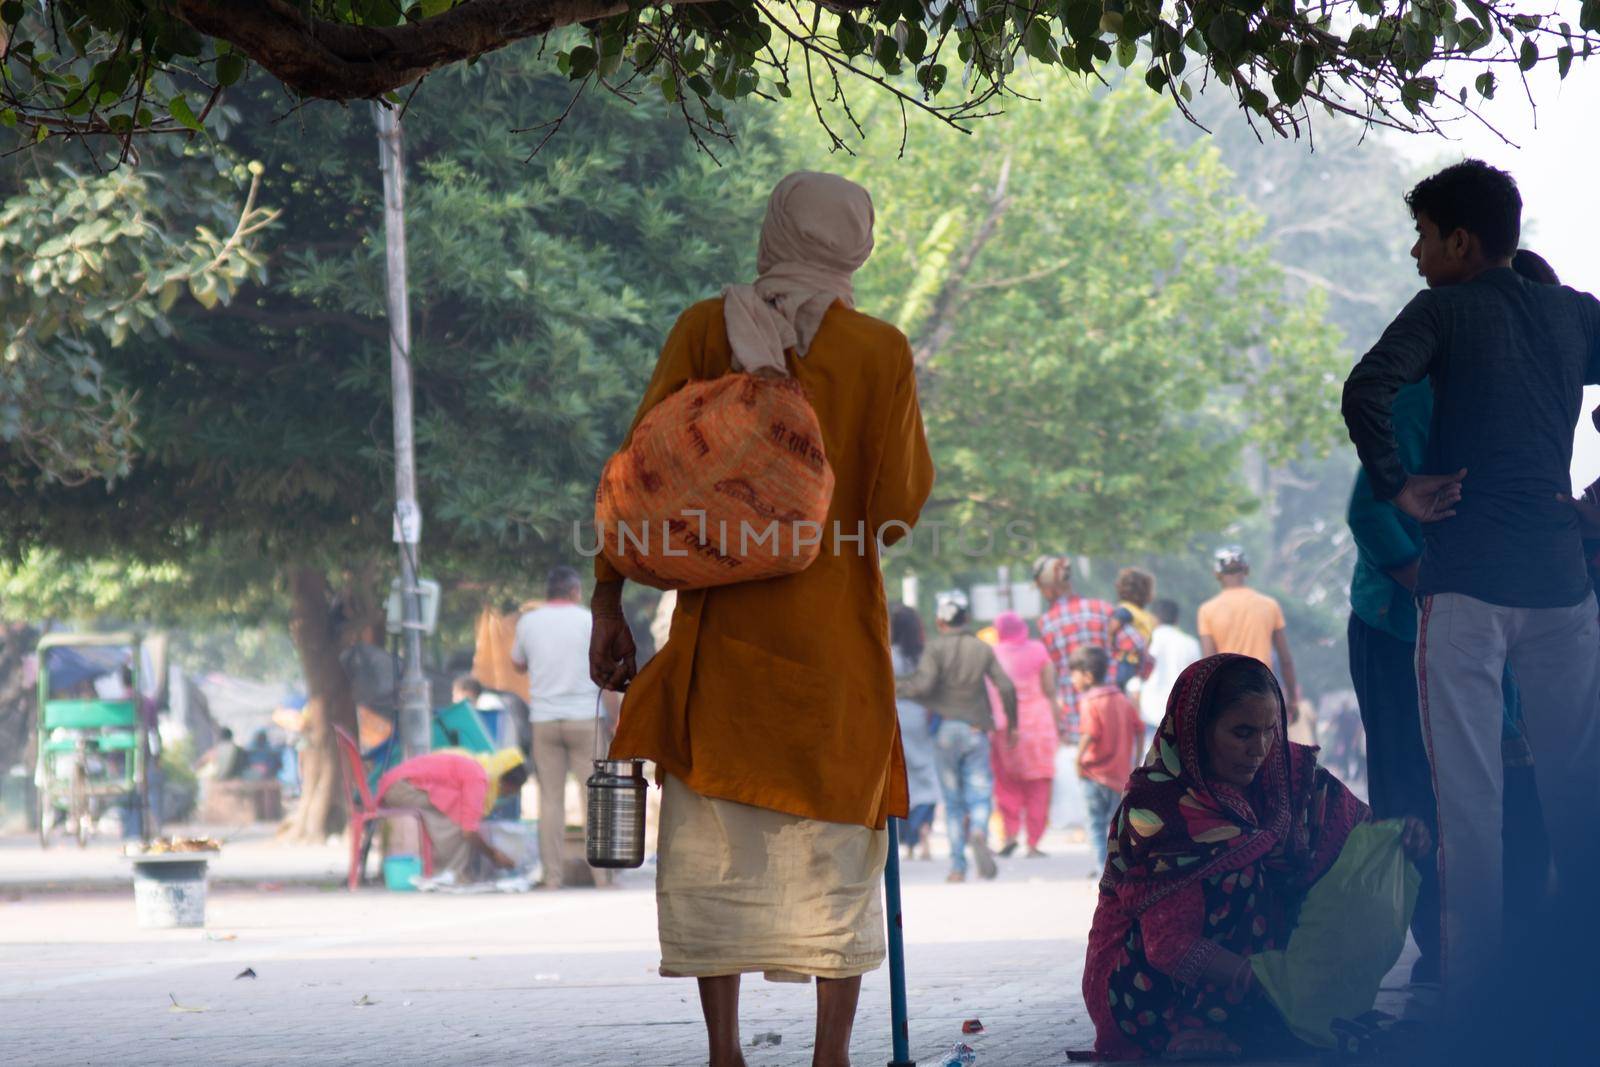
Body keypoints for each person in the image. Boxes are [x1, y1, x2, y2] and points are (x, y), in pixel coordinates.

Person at [587, 171, 934, 1067]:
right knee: (835, 860)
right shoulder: (881, 351)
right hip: (834, 660)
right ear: (854, 245)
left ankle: (725, 1051)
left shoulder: (710, 327)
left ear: (774, 230)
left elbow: (637, 480)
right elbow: (895, 509)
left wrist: (607, 600)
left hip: (722, 654)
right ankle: (830, 1055)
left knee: (714, 856)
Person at [1342, 159, 1600, 996]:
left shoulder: (1444, 309)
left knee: (1469, 807)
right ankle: (1578, 986)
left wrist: (1397, 484)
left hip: (1464, 591)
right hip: (1563, 585)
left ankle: (1475, 1000)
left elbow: (1366, 386)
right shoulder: (1571, 313)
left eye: (1422, 236)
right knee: (1577, 792)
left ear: (1460, 240)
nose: (1416, 255)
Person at [1083, 654, 1431, 1060]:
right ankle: (1202, 1024)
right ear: (1197, 731)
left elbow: (1357, 838)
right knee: (1240, 871)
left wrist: (1402, 838)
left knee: (1312, 864)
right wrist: (1276, 985)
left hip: (1247, 979)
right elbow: (1167, 945)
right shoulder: (1156, 806)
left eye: (1270, 730)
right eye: (1242, 733)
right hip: (1141, 990)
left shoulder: (1290, 774)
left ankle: (1251, 1016)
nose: (1260, 750)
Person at [898, 590, 1018, 882]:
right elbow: (1006, 687)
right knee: (979, 793)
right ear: (966, 619)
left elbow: (923, 686)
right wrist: (1012, 724)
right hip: (976, 730)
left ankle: (957, 867)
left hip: (945, 731)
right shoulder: (981, 649)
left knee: (952, 802)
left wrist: (894, 687)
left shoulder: (935, 650)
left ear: (940, 622)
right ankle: (978, 828)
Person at [512, 565, 610, 890]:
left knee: (550, 800)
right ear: (574, 592)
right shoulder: (589, 620)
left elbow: (518, 662)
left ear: (547, 593)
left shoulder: (528, 622)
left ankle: (552, 878)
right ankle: (602, 877)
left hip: (544, 720)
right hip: (585, 719)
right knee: (594, 797)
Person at [375, 749, 529, 881]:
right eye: (509, 791)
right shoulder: (479, 778)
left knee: (461, 813)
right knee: (460, 818)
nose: (506, 795)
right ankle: (450, 873)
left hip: (397, 785)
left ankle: (450, 872)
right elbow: (469, 832)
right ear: (504, 783)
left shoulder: (479, 768)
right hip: (399, 788)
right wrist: (493, 854)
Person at [986, 610, 1061, 859]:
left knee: (1006, 783)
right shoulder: (1039, 651)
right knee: (1038, 784)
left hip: (1005, 727)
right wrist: (1059, 725)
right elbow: (1050, 689)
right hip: (1038, 725)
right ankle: (1033, 842)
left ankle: (1009, 835)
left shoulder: (993, 653)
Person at [1070, 646, 1143, 871]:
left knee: (1095, 824)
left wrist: (1077, 760)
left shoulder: (1090, 701)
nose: (1072, 679)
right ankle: (1115, 868)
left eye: (1074, 673)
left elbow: (1090, 733)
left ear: (1088, 675)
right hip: (1119, 775)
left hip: (1094, 774)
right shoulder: (1122, 699)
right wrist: (1135, 760)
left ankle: (1103, 870)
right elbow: (1139, 729)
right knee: (1116, 826)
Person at [1197, 547, 1298, 705]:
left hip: (1227, 692)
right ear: (1246, 570)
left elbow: (1209, 661)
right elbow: (1285, 660)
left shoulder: (1207, 610)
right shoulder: (1269, 605)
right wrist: (1293, 699)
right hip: (1262, 688)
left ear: (1217, 574)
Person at [890, 605, 939, 862]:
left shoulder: (889, 655)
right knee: (926, 774)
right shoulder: (924, 656)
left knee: (903, 775)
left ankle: (907, 842)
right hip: (921, 718)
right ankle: (923, 830)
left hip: (896, 719)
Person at [1140, 598, 1201, 747]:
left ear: (1153, 618)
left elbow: (1138, 677)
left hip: (1149, 712)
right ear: (1176, 619)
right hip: (1179, 715)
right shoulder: (1190, 643)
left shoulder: (1147, 642)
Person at [1109, 567, 1158, 691]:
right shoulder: (1126, 609)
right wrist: (1110, 645)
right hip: (1128, 660)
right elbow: (1112, 627)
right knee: (1126, 686)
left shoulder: (1143, 614)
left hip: (1140, 661)